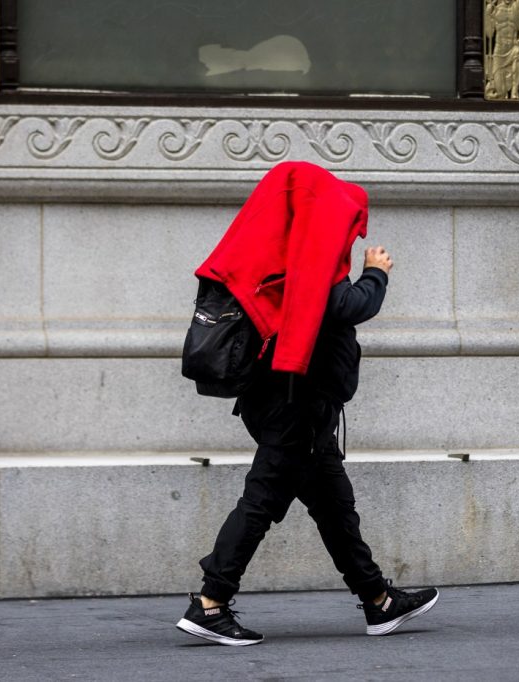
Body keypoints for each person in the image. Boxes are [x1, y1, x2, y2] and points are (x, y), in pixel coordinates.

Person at [176, 163, 439, 646]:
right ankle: (211, 602)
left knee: (336, 508)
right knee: (261, 502)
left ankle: (378, 601)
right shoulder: (309, 261)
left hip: (294, 405)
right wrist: (375, 274)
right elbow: (347, 305)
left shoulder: (283, 254)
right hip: (295, 408)